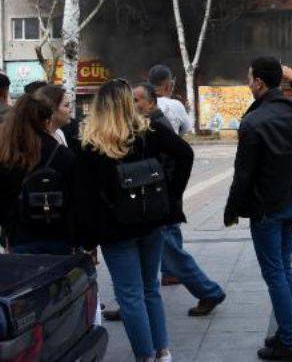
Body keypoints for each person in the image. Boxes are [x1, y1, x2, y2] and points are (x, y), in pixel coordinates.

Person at [71, 79, 194, 362]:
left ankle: (145, 355)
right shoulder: (147, 131)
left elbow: (85, 197)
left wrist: (87, 241)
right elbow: (185, 153)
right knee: (150, 288)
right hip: (151, 221)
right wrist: (171, 196)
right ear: (128, 103)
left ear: (100, 106)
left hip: (115, 229)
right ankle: (162, 351)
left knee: (129, 294)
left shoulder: (91, 143)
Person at [224, 57, 292, 362]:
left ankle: (289, 343)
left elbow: (243, 174)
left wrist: (231, 210)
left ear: (259, 83)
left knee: (276, 274)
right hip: (290, 205)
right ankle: (286, 332)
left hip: (267, 212)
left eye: (249, 77)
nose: (247, 82)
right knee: (283, 270)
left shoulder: (253, 122)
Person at [128, 81, 227, 317]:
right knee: (155, 253)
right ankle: (132, 303)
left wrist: (172, 193)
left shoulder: (155, 125)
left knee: (169, 252)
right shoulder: (144, 124)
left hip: (158, 203)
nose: (132, 104)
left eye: (136, 100)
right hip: (156, 202)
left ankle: (208, 291)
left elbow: (182, 156)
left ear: (150, 103)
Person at [0, 93, 75, 254]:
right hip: (60, 235)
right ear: (47, 120)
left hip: (21, 236)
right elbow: (76, 197)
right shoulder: (62, 154)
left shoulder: (7, 155)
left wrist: (6, 233)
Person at [148, 65, 193, 135]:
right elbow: (186, 130)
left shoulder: (141, 105)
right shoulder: (177, 105)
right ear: (169, 85)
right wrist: (184, 113)